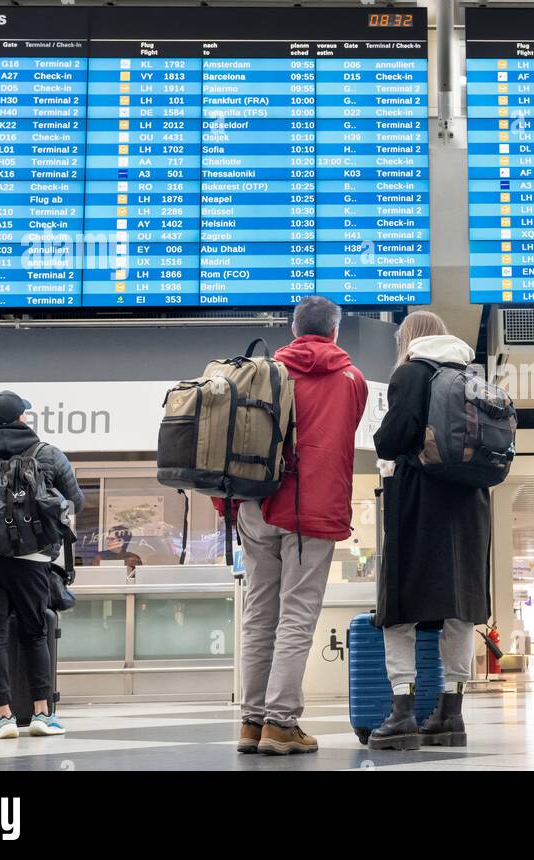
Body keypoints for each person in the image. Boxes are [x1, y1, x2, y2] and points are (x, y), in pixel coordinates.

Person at [233, 297, 368, 755]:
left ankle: (251, 722)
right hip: (312, 510)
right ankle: (281, 723)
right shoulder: (352, 380)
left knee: (257, 615)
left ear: (293, 329)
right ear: (335, 331)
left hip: (257, 505)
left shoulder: (263, 373)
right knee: (296, 615)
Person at [368, 311, 491, 751]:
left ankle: (402, 712)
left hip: (419, 502)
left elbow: (391, 440)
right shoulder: (470, 373)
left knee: (399, 608)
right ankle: (450, 716)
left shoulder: (411, 372)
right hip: (471, 505)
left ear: (409, 339)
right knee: (459, 608)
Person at [0, 390, 85, 738]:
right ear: (21, 418)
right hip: (34, 560)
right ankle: (43, 714)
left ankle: (2, 717)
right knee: (34, 633)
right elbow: (75, 503)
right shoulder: (49, 454)